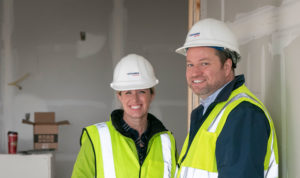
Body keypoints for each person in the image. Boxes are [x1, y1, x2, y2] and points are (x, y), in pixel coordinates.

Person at [175, 18, 279, 178]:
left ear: (227, 66)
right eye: (190, 64)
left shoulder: (243, 114)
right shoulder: (211, 112)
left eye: (204, 64)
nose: (195, 72)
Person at [72, 54, 177, 178]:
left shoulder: (166, 141)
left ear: (151, 95)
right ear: (119, 97)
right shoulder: (96, 138)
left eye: (141, 91)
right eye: (128, 92)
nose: (135, 99)